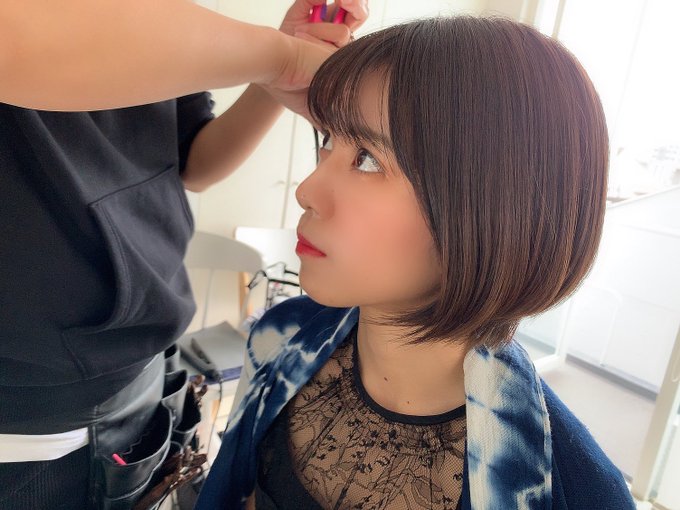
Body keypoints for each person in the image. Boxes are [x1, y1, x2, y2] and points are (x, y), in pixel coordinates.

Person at [195, 15, 637, 510]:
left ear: (492, 211)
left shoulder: (577, 493)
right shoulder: (280, 341)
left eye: (367, 159)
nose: (308, 190)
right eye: (327, 140)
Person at [0, 1, 368, 508]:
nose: (306, 191)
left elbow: (192, 163)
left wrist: (278, 73)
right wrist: (282, 58)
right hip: (35, 409)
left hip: (143, 366)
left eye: (369, 159)